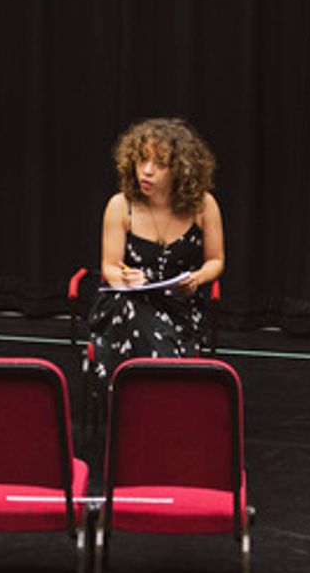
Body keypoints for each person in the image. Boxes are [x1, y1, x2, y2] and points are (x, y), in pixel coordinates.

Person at [85, 117, 225, 396]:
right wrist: (125, 278)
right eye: (141, 161)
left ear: (180, 170)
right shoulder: (120, 205)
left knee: (139, 318)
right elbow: (109, 268)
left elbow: (216, 261)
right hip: (127, 300)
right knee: (130, 308)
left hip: (179, 304)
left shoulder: (203, 205)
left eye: (159, 165)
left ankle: (141, 397)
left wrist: (198, 278)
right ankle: (164, 391)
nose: (146, 172)